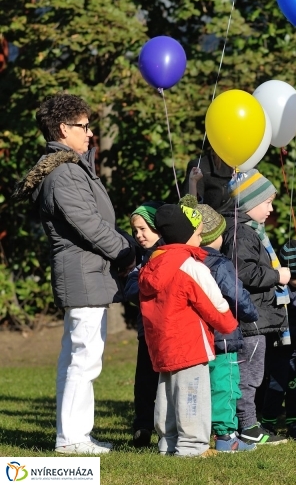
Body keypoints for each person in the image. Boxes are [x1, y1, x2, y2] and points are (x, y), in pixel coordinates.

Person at [13, 93, 135, 454]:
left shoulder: (69, 165)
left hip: (87, 271)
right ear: (64, 129)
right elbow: (89, 225)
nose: (91, 133)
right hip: (83, 271)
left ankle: (75, 435)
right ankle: (72, 439)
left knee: (78, 356)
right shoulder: (65, 171)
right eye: (83, 126)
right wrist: (125, 252)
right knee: (84, 357)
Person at [138, 203, 239, 457]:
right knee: (193, 395)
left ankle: (167, 443)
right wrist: (229, 324)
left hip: (162, 345)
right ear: (187, 235)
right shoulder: (191, 266)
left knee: (167, 395)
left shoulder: (151, 265)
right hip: (189, 344)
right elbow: (214, 303)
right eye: (197, 231)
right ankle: (192, 446)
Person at [222, 169, 291, 446]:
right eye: (267, 202)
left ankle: (247, 422)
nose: (271, 209)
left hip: (256, 316)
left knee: (251, 372)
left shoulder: (250, 232)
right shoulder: (242, 234)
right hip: (250, 317)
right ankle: (247, 425)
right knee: (248, 374)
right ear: (250, 204)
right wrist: (277, 276)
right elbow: (245, 272)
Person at [188, 199, 259, 452]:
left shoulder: (188, 262)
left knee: (198, 387)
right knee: (225, 385)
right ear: (216, 236)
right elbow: (236, 295)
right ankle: (226, 436)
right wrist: (251, 314)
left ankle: (198, 431)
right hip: (223, 337)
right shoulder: (219, 264)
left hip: (196, 338)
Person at [260, 240, 296, 440]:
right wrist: (295, 333)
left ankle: (295, 422)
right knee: (276, 387)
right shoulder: (279, 293)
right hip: (279, 350)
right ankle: (268, 423)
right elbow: (276, 321)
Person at [122, 201, 165, 448]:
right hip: (146, 331)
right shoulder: (143, 258)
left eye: (143, 229)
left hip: (165, 331)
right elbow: (130, 289)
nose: (138, 236)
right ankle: (142, 427)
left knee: (163, 382)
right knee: (145, 384)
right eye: (135, 231)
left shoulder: (165, 253)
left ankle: (161, 427)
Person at [182, 147, 234, 212]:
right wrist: (193, 182)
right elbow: (189, 209)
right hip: (215, 220)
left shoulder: (248, 166)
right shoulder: (201, 167)